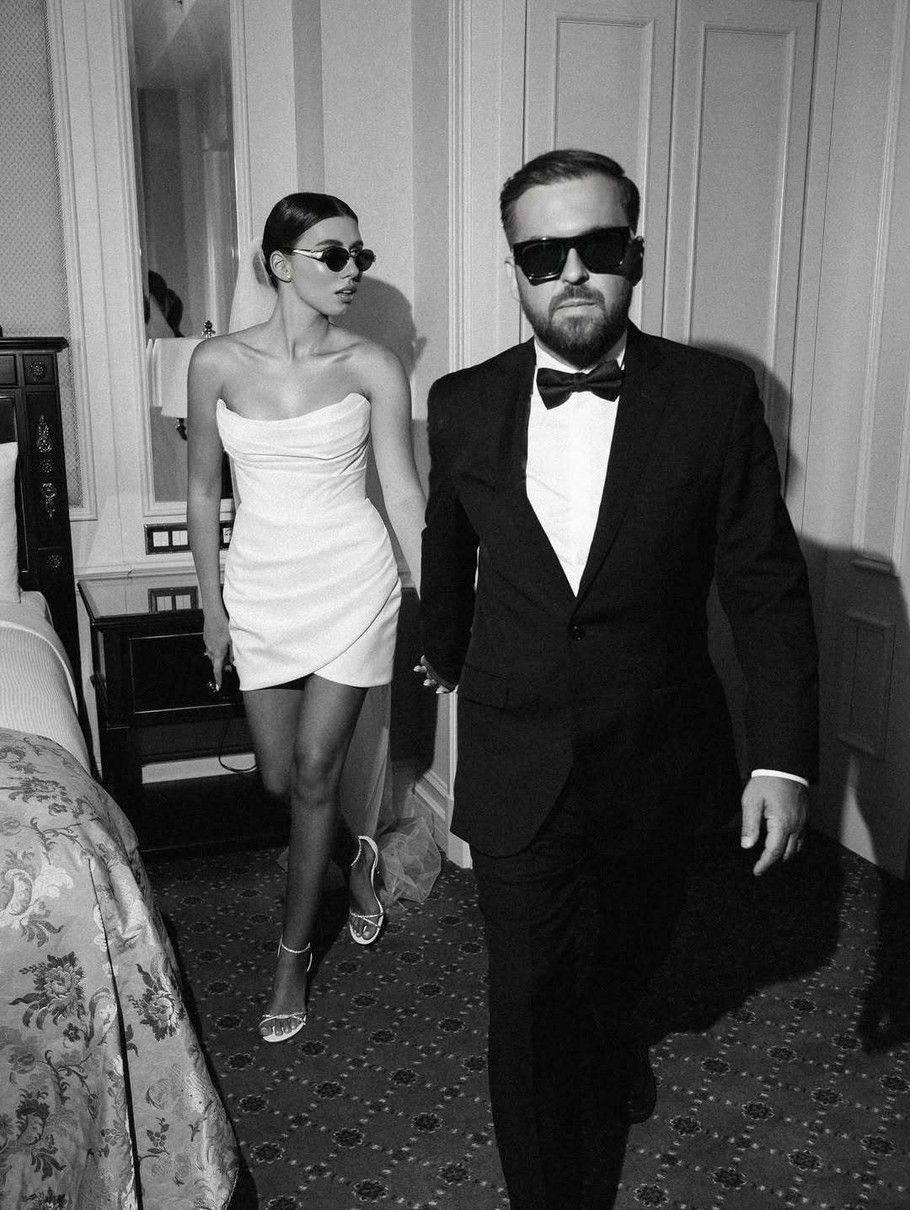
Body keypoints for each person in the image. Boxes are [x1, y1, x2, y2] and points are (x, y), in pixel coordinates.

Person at [418, 149, 818, 1207]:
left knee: (626, 959)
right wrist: (442, 649)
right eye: (541, 255)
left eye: (595, 247)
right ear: (515, 268)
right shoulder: (460, 403)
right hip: (516, 752)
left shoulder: (713, 398)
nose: (570, 274)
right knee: (526, 999)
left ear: (633, 254)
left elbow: (766, 589)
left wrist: (781, 759)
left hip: (657, 754)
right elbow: (448, 549)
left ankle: (611, 1037)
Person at [187, 192, 425, 1043]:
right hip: (261, 587)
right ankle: (356, 854)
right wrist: (212, 605)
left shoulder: (372, 365)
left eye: (361, 255)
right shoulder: (215, 362)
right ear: (280, 264)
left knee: (318, 770)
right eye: (335, 255)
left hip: (352, 580)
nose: (353, 270)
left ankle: (291, 958)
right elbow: (202, 491)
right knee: (280, 780)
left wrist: (436, 603)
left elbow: (403, 492)